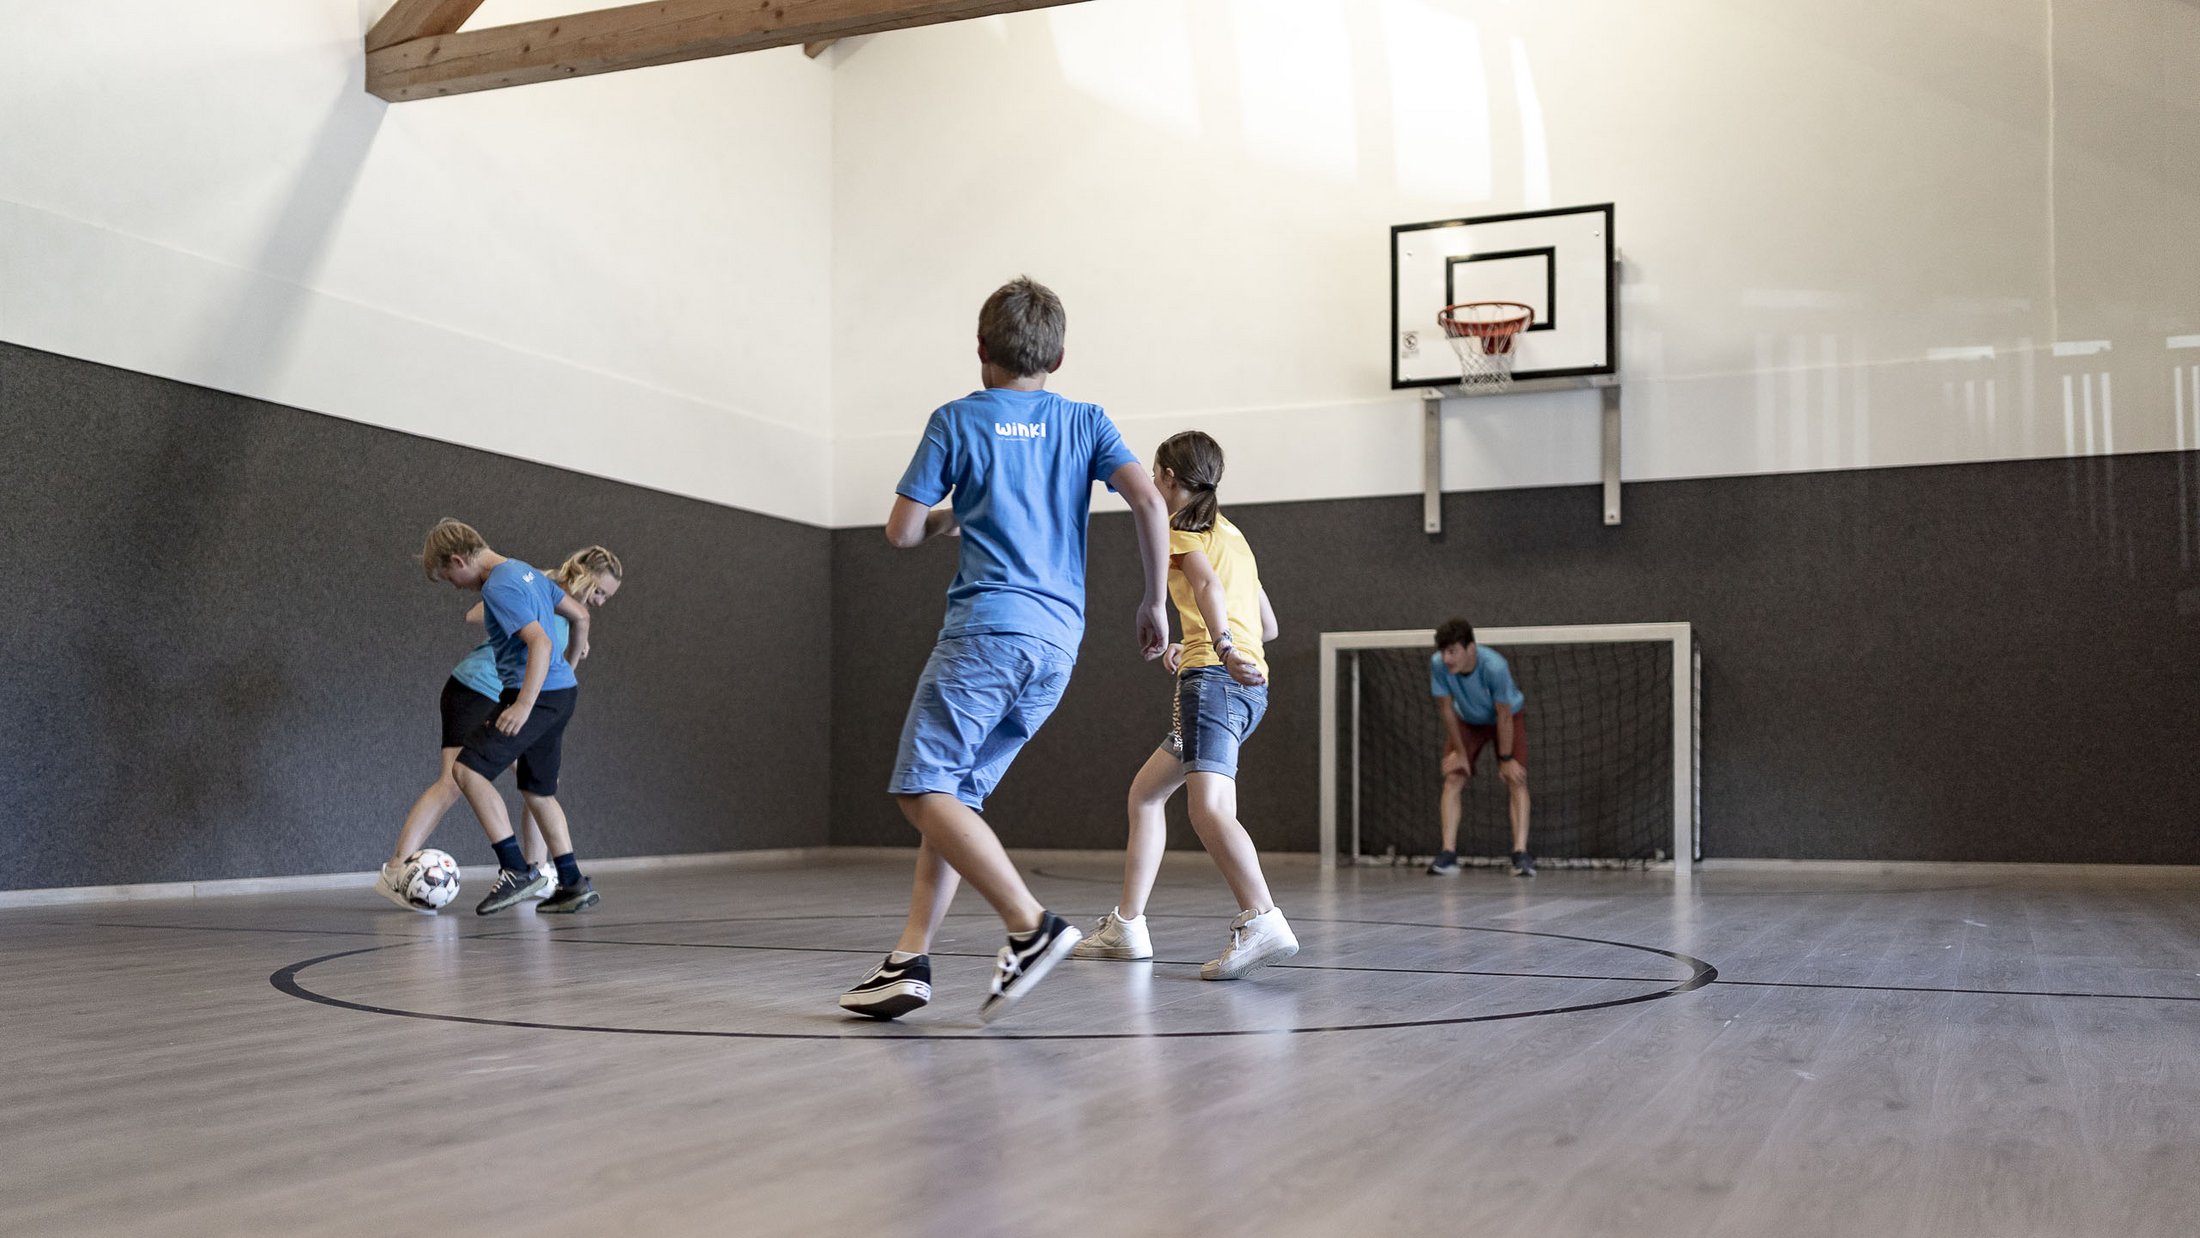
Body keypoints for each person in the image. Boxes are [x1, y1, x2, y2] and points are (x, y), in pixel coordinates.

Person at [838, 276, 1172, 1024]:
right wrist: (1152, 602)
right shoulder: (1084, 420)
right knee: (954, 797)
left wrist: (951, 519)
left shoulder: (956, 420)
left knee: (920, 788)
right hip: (1058, 643)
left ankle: (1030, 925)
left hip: (988, 632)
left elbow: (900, 532)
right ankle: (909, 960)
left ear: (981, 349)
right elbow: (1149, 499)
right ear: (1058, 355)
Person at [1073, 430, 1297, 979]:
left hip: (1214, 683)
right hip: (1248, 687)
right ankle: (1127, 925)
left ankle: (1263, 918)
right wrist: (1199, 638)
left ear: (1168, 478)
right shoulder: (1234, 535)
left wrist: (1217, 645)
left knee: (1209, 809)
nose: (1152, 482)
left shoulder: (1179, 529)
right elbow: (1266, 624)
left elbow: (1204, 586)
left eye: (1154, 473)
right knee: (1147, 795)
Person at [374, 544, 623, 911]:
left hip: (519, 697)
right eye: (599, 591)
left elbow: (575, 624)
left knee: (535, 784)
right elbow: (476, 613)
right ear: (583, 576)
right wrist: (512, 617)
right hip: (478, 687)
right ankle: (396, 869)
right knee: (455, 779)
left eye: (606, 596)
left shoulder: (568, 611)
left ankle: (538, 872)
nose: (600, 601)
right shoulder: (533, 583)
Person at [1426, 618, 1533, 878]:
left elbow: (1504, 714)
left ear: (1470, 649)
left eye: (1453, 651)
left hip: (1505, 718)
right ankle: (1448, 854)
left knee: (1515, 777)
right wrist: (1461, 754)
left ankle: (1520, 854)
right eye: (1443, 651)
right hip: (1468, 720)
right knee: (1453, 776)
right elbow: (1446, 710)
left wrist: (1506, 758)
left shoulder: (1495, 667)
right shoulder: (1438, 666)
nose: (1447, 658)